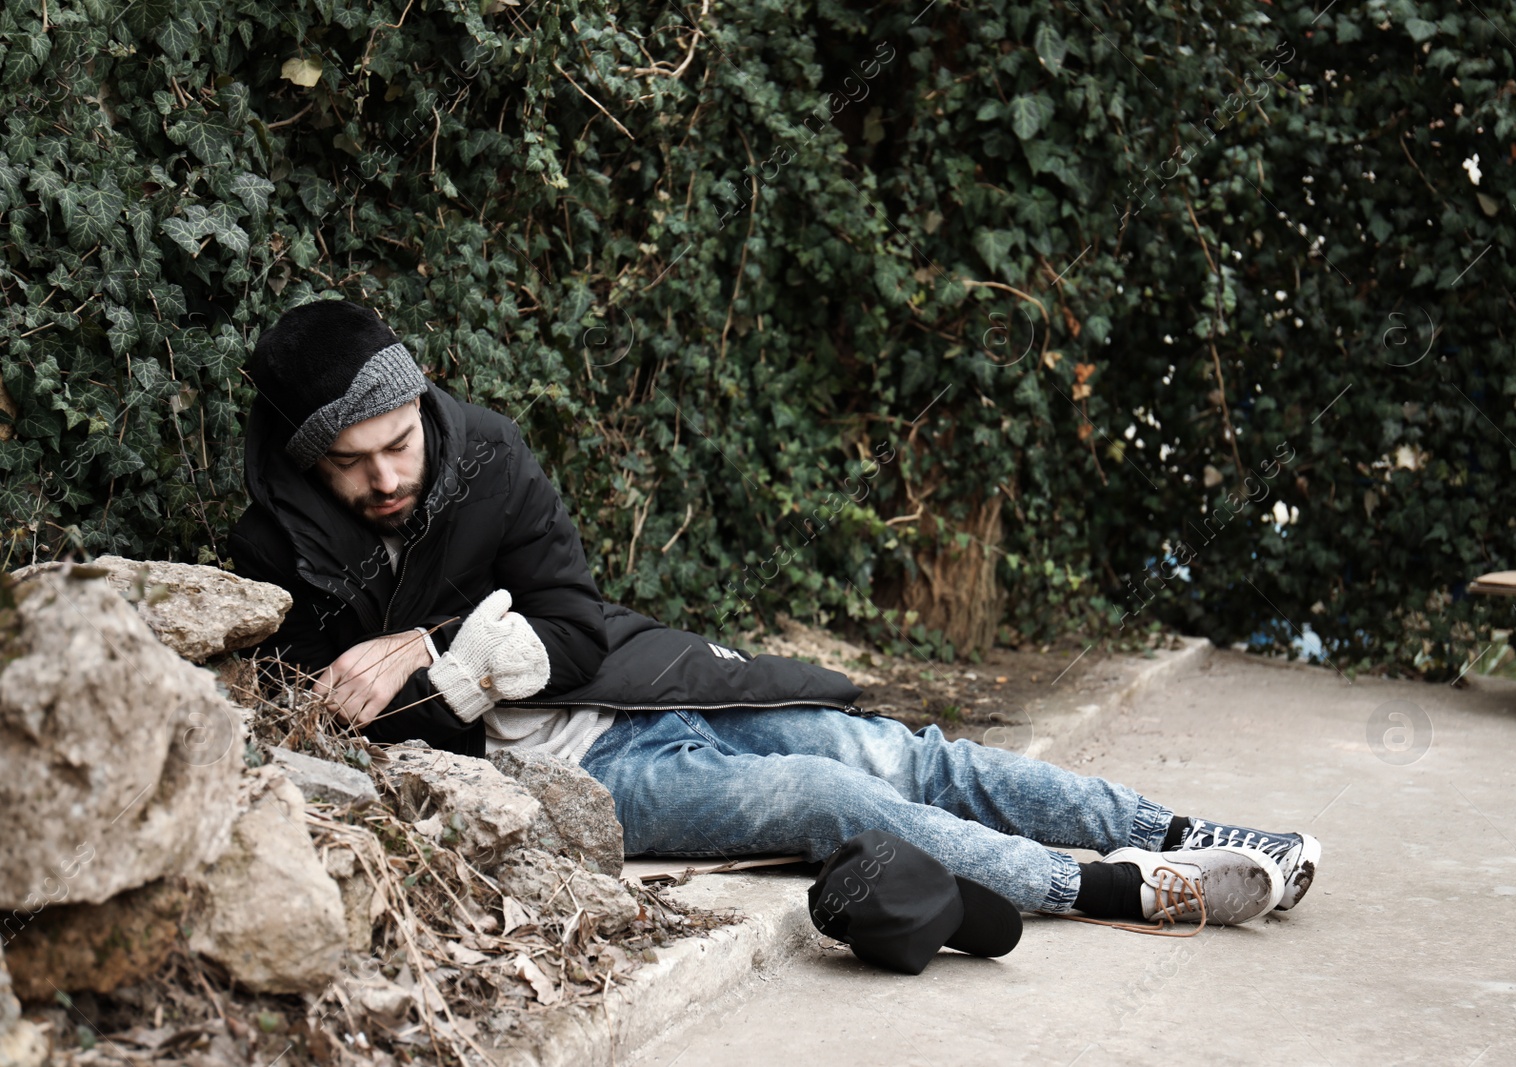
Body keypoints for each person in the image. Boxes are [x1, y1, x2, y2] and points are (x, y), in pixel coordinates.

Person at [230, 300, 1321, 931]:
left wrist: (432, 639)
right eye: (349, 463)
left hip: (636, 694)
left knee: (896, 752)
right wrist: (448, 678)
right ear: (300, 461)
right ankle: (1113, 887)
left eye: (397, 445)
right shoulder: (274, 563)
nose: (383, 477)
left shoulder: (490, 457)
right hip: (578, 781)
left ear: (421, 407)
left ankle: (1177, 829)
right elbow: (360, 736)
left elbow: (572, 619)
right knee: (824, 793)